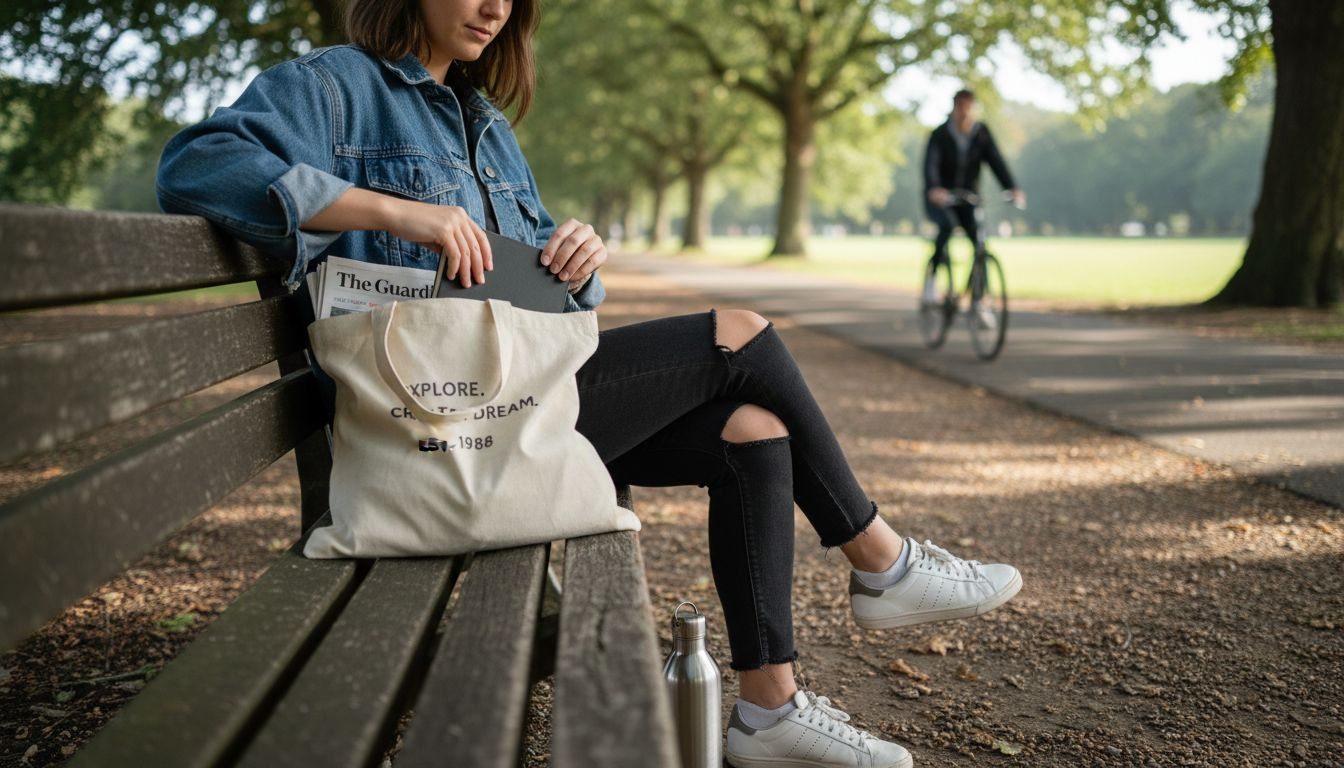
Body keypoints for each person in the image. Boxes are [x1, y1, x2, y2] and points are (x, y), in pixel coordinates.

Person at [156, 3, 1022, 766]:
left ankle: (770, 710)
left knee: (753, 428)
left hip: (514, 403)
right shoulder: (336, 86)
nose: (497, 8)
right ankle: (881, 561)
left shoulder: (485, 123)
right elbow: (195, 166)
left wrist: (578, 260)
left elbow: (545, 288)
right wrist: (393, 212)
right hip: (434, 425)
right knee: (741, 335)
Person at [922, 89, 1025, 328]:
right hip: (942, 198)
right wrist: (935, 188)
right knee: (946, 226)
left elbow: (996, 160)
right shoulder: (940, 134)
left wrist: (1012, 187)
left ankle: (979, 302)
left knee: (980, 243)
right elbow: (931, 165)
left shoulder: (981, 133)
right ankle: (932, 280)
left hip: (969, 197)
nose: (965, 112)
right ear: (954, 107)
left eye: (969, 107)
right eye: (961, 107)